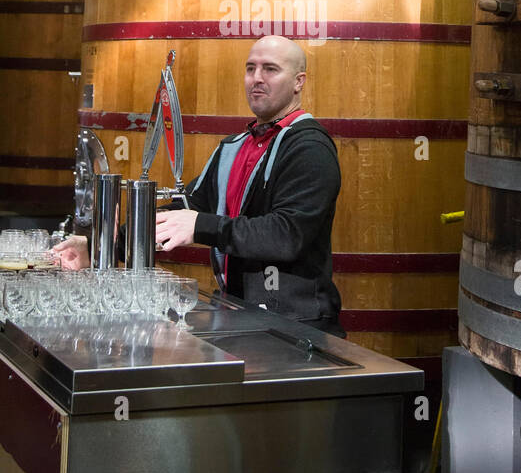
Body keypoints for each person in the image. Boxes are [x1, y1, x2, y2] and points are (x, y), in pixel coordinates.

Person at [55, 36, 345, 335]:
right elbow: (185, 210)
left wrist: (201, 226)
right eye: (250, 68)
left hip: (298, 325)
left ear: (299, 82)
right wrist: (102, 246)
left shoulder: (309, 147)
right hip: (243, 314)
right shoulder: (235, 146)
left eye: (270, 69)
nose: (257, 79)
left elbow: (286, 235)